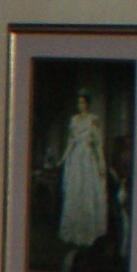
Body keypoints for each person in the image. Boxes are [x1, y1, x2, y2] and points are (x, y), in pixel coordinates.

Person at [52, 86, 112, 261]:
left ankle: (87, 233)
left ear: (88, 104)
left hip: (87, 158)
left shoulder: (93, 120)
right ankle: (73, 233)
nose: (80, 106)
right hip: (75, 159)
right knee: (74, 192)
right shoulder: (73, 120)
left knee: (87, 192)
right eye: (78, 103)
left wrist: (101, 163)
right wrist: (62, 159)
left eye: (83, 103)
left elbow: (97, 144)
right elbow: (70, 142)